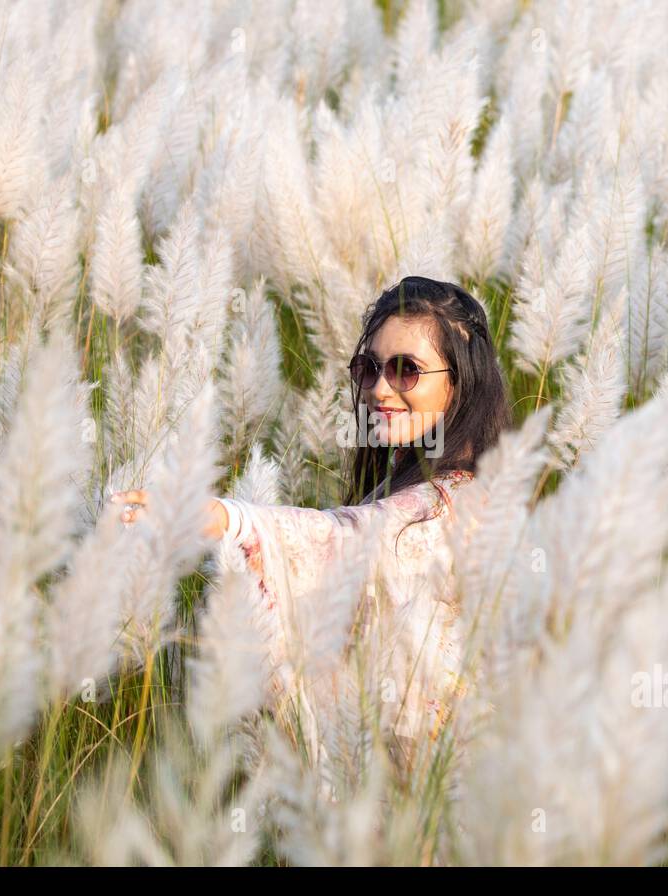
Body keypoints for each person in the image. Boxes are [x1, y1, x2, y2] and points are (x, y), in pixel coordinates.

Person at [112, 276, 513, 771]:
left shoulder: (451, 503)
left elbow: (347, 540)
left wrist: (226, 519)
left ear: (460, 380)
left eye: (407, 370)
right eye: (369, 369)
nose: (382, 389)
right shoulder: (444, 487)